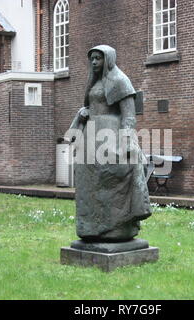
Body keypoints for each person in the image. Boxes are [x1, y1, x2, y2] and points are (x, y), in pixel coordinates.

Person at [67, 45, 151, 242]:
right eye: (92, 59)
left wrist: (127, 143)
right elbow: (90, 105)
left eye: (99, 58)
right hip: (90, 139)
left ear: (109, 59)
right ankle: (90, 227)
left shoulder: (120, 81)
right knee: (89, 184)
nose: (94, 62)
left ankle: (115, 228)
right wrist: (82, 113)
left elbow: (129, 116)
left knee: (111, 181)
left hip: (111, 137)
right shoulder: (94, 82)